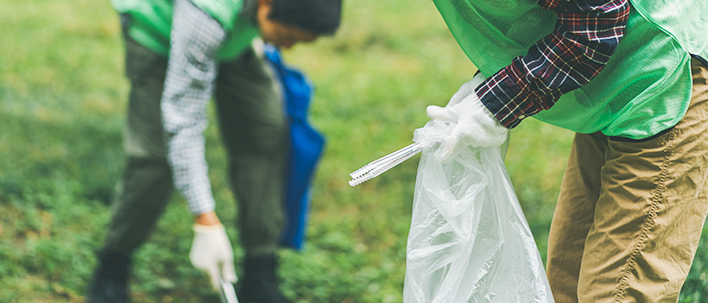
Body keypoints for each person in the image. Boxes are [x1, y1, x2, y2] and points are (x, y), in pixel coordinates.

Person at [424, 0, 708, 302]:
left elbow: (599, 19)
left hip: (662, 82)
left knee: (618, 291)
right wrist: (488, 83)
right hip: (607, 87)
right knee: (565, 281)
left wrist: (495, 104)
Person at [86, 0, 341, 302]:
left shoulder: (265, 13)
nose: (287, 47)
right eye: (287, 35)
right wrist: (205, 219)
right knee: (156, 159)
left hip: (235, 39)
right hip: (160, 36)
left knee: (266, 133)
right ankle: (112, 268)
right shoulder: (207, 13)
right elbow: (183, 121)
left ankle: (260, 272)